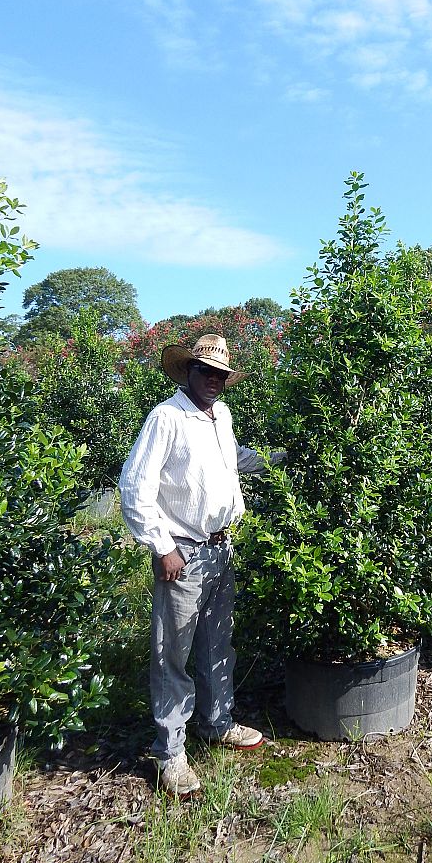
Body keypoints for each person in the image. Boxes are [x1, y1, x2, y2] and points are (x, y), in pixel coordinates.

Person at [119, 334, 285, 796]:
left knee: (217, 643)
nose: (213, 380)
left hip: (220, 549)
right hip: (182, 552)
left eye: (220, 374)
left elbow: (234, 460)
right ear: (187, 372)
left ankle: (217, 722)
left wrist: (283, 459)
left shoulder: (221, 417)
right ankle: (170, 752)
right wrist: (161, 547)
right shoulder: (166, 418)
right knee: (171, 654)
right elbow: (134, 487)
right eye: (204, 371)